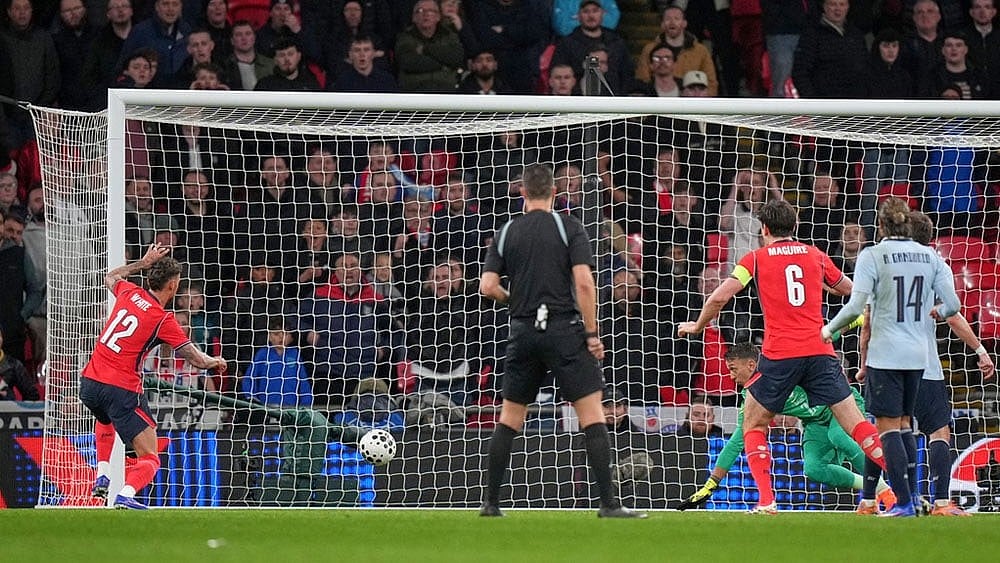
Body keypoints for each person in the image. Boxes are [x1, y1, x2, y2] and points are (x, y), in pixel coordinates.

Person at [679, 199, 887, 515]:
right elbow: (848, 289)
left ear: (764, 230)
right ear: (794, 227)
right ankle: (905, 489)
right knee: (856, 425)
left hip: (780, 354)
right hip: (820, 349)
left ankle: (766, 501)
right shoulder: (815, 255)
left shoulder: (755, 258)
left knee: (753, 423)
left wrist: (697, 325)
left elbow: (720, 296)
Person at [478, 163, 645, 518]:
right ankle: (609, 505)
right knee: (591, 414)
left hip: (523, 331)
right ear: (555, 192)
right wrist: (591, 333)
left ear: (522, 192)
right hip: (563, 328)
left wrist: (518, 301)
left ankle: (490, 504)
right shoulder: (568, 226)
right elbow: (584, 283)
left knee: (509, 418)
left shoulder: (506, 231)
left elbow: (488, 287)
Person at [822, 197, 961, 517]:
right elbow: (952, 305)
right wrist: (935, 311)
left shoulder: (874, 255)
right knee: (903, 425)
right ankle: (906, 498)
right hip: (919, 355)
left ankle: (905, 502)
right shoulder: (930, 257)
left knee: (886, 428)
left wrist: (828, 331)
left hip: (886, 355)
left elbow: (858, 309)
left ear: (881, 225)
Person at [854, 210, 995, 516]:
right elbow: (954, 315)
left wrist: (864, 363)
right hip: (924, 366)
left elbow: (867, 323)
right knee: (939, 432)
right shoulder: (933, 265)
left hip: (887, 364)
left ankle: (867, 500)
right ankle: (942, 503)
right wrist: (980, 349)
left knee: (884, 429)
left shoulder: (882, 266)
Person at [80, 243, 227, 509]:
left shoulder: (129, 291)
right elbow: (196, 359)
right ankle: (125, 493)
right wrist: (214, 361)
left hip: (90, 382)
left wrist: (141, 263)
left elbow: (110, 277)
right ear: (172, 286)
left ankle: (102, 475)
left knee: (104, 417)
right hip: (120, 388)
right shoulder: (162, 319)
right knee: (150, 456)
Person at [678, 342, 896, 511]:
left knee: (840, 437)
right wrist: (712, 483)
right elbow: (737, 440)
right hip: (815, 420)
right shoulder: (752, 397)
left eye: (734, 369)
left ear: (751, 364)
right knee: (814, 469)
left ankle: (894, 490)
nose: (731, 376)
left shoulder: (782, 368)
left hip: (838, 405)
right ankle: (879, 490)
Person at [241, 316, 313, 407]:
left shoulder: (295, 354)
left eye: (285, 334)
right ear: (269, 336)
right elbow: (249, 379)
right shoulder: (262, 354)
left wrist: (306, 406)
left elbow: (304, 383)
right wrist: (253, 400)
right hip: (266, 408)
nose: (281, 337)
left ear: (291, 336)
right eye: (276, 334)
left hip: (290, 409)